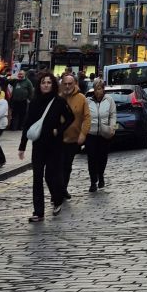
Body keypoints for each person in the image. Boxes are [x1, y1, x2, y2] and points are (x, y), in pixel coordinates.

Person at [17, 72, 73, 221]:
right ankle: (38, 212)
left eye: (49, 82)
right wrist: (22, 146)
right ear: (39, 85)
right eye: (43, 82)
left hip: (55, 145)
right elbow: (27, 125)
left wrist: (59, 130)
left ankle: (57, 199)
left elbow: (70, 118)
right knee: (37, 177)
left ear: (53, 85)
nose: (46, 85)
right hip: (39, 145)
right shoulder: (34, 102)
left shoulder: (59, 101)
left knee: (51, 176)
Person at [59, 70, 91, 198]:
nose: (67, 86)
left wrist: (83, 134)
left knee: (67, 166)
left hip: (73, 139)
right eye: (65, 83)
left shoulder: (81, 98)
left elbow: (87, 118)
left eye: (70, 84)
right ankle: (58, 191)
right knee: (58, 166)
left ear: (75, 83)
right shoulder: (58, 96)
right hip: (58, 138)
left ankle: (63, 188)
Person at [85, 76, 117, 192]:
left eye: (100, 88)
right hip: (91, 134)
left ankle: (101, 175)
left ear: (103, 89)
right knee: (91, 158)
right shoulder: (88, 101)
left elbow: (113, 115)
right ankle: (93, 181)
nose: (98, 91)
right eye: (96, 88)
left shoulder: (109, 100)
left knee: (102, 157)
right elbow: (84, 116)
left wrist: (112, 127)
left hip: (104, 133)